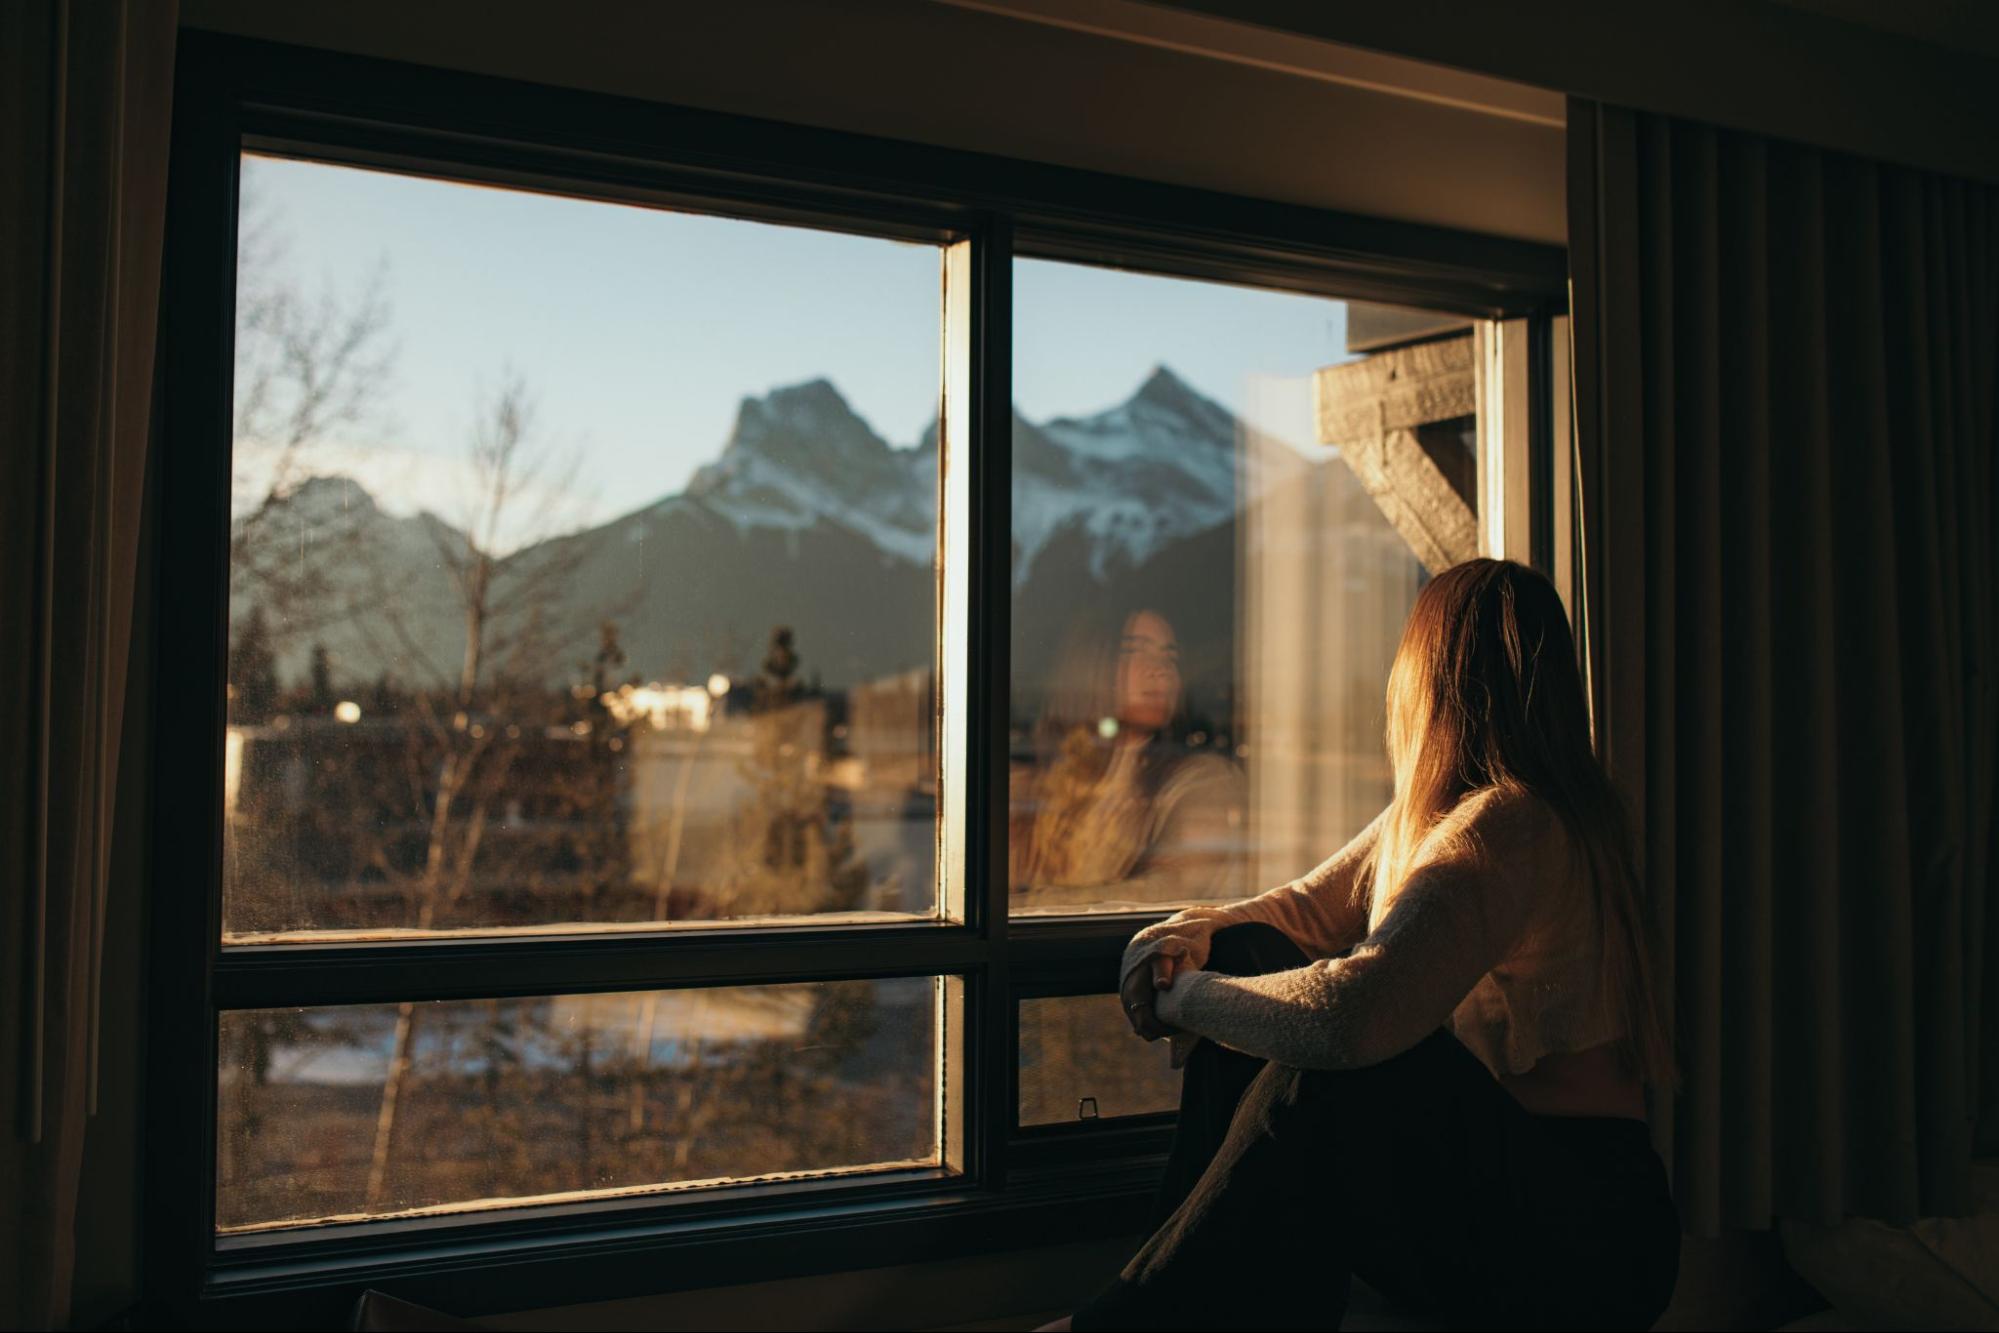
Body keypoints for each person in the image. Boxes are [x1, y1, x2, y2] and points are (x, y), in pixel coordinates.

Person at [1046, 559, 1681, 1331]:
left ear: (1426, 680)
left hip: (1586, 1236)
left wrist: (1186, 998)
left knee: (1332, 1074)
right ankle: (1190, 1300)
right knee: (1246, 950)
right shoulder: (1458, 814)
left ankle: (1129, 1321)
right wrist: (1183, 936)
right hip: (1522, 1200)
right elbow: (1301, 911)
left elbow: (1350, 1019)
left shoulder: (1511, 824)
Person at [1010, 606, 1246, 912]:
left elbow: (1174, 892)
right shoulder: (1040, 784)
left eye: (1170, 657)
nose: (1159, 669)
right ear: (1095, 664)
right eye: (1134, 651)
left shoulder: (1200, 780)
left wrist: (1020, 909)